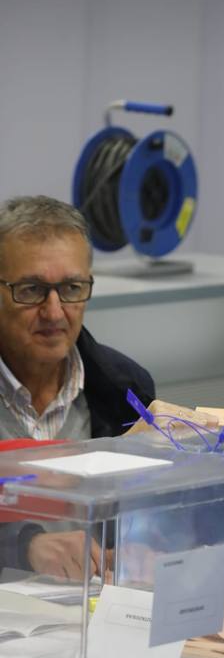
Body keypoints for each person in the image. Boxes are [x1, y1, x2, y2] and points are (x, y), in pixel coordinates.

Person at [0, 195, 155, 577]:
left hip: (89, 615)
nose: (54, 312)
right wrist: (25, 547)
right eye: (32, 290)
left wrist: (146, 543)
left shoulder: (125, 390)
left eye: (71, 288)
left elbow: (142, 509)